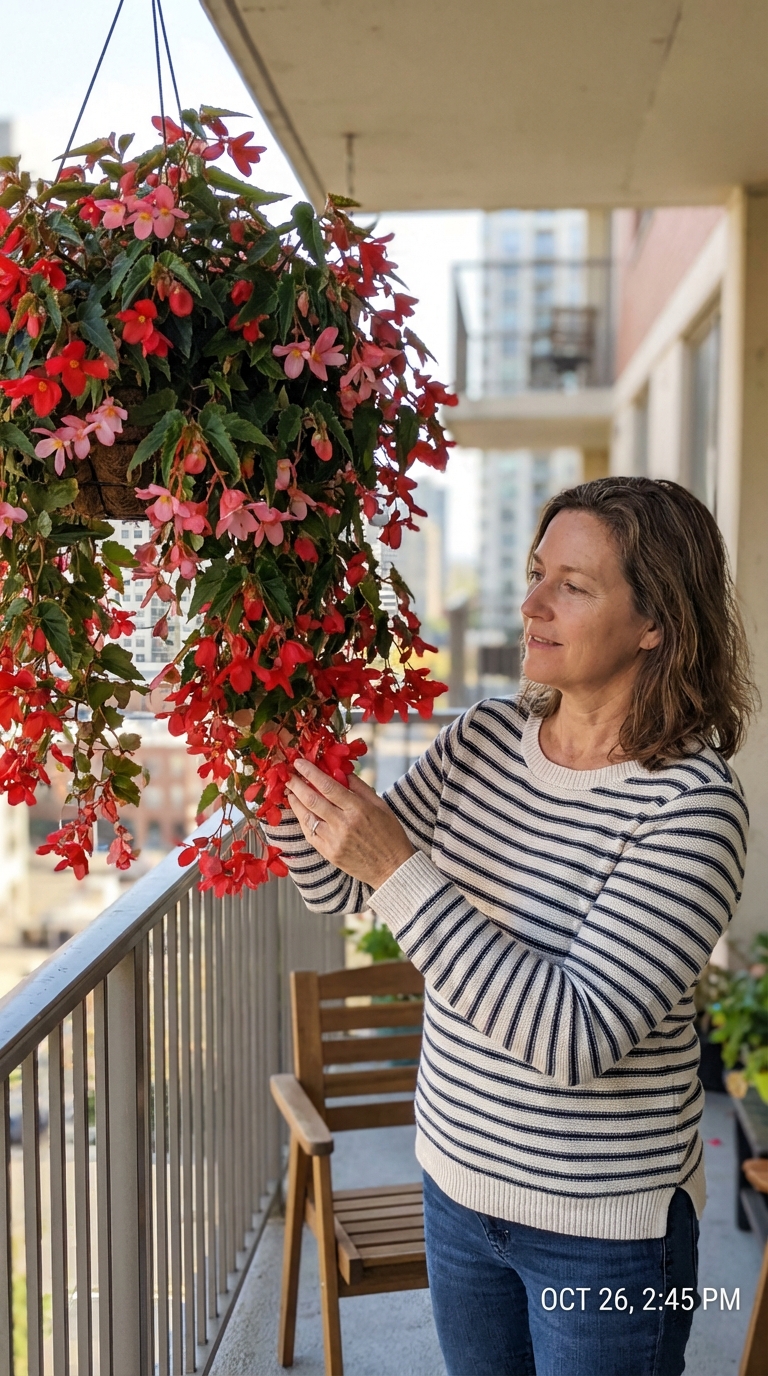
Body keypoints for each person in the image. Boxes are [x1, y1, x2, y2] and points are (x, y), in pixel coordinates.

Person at [274, 476, 755, 1376]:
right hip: (455, 1190)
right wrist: (277, 772)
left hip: (604, 1238)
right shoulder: (483, 738)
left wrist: (396, 868)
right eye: (536, 573)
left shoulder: (692, 808)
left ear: (656, 621)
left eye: (572, 585)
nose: (530, 604)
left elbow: (576, 1037)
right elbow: (340, 887)